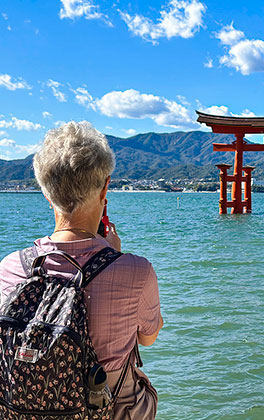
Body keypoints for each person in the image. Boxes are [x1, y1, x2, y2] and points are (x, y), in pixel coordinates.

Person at [0, 121, 163, 420]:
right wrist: (112, 256)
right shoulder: (136, 272)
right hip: (109, 409)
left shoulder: (10, 268)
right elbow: (148, 338)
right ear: (105, 188)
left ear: (47, 194)